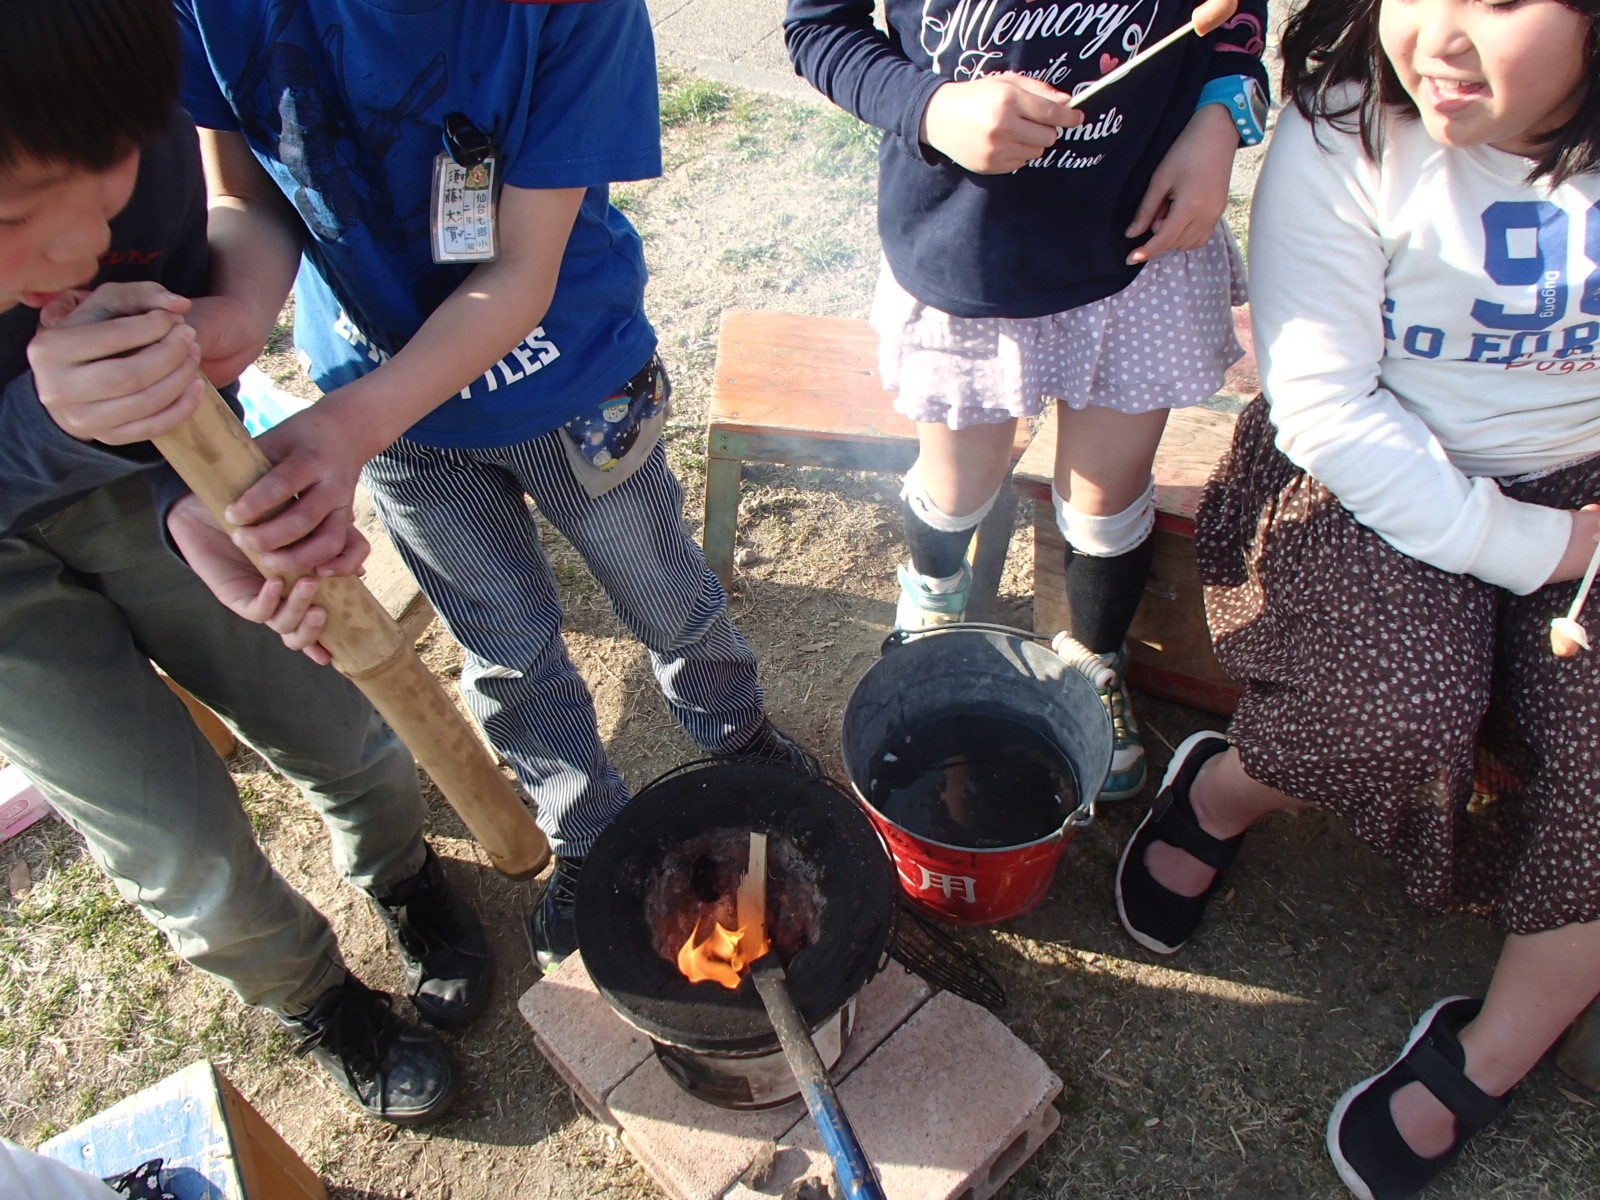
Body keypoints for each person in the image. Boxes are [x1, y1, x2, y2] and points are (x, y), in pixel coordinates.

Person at [170, 0, 812, 974]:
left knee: (663, 590)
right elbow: (248, 197)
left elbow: (520, 269)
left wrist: (353, 422)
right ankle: (585, 826)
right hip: (392, 416)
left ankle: (735, 730)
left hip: (572, 378)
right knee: (504, 647)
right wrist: (236, 314)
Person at [1112, 0, 1600, 1194]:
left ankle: (1484, 1055)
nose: (1433, 35)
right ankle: (1219, 793)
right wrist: (1522, 544)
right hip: (1379, 463)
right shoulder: (1346, 129)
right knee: (1391, 702)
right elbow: (1327, 406)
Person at [0, 0, 491, 1125]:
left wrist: (184, 469)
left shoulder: (118, 54)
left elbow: (233, 206)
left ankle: (403, 873)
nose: (77, 248)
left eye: (108, 168)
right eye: (15, 211)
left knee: (332, 715)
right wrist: (50, 429)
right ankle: (314, 996)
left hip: (142, 465)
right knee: (171, 836)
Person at [785, 0, 1269, 801]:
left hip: (1136, 245)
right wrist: (930, 106)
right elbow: (817, 28)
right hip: (968, 251)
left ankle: (1092, 659)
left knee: (1106, 496)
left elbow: (1233, 16)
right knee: (958, 483)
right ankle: (933, 598)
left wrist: (1222, 115)